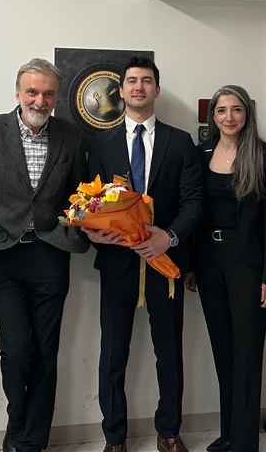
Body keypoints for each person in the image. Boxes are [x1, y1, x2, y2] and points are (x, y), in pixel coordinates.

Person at [0, 58, 89, 452]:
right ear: (18, 93)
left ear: (56, 97)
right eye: (32, 91)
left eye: (48, 93)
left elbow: (80, 196)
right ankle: (17, 428)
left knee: (47, 353)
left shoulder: (71, 136)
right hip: (2, 255)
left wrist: (73, 230)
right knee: (17, 350)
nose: (40, 100)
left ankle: (31, 443)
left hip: (51, 254)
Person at [83, 56, 203, 452]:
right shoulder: (101, 143)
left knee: (168, 352)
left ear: (157, 89)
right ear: (120, 90)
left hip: (164, 264)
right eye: (132, 81)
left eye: (146, 81)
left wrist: (169, 237)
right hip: (117, 263)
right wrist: (97, 234)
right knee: (112, 355)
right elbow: (90, 201)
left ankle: (169, 432)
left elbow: (194, 202)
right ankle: (114, 438)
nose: (139, 87)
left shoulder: (179, 141)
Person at [186, 85, 266, 452]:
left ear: (247, 114)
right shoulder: (200, 154)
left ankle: (243, 443)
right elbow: (192, 209)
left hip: (247, 262)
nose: (229, 117)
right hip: (208, 260)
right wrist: (190, 264)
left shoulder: (264, 155)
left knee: (247, 353)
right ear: (213, 116)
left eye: (236, 109)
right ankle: (228, 434)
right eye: (222, 110)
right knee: (223, 351)